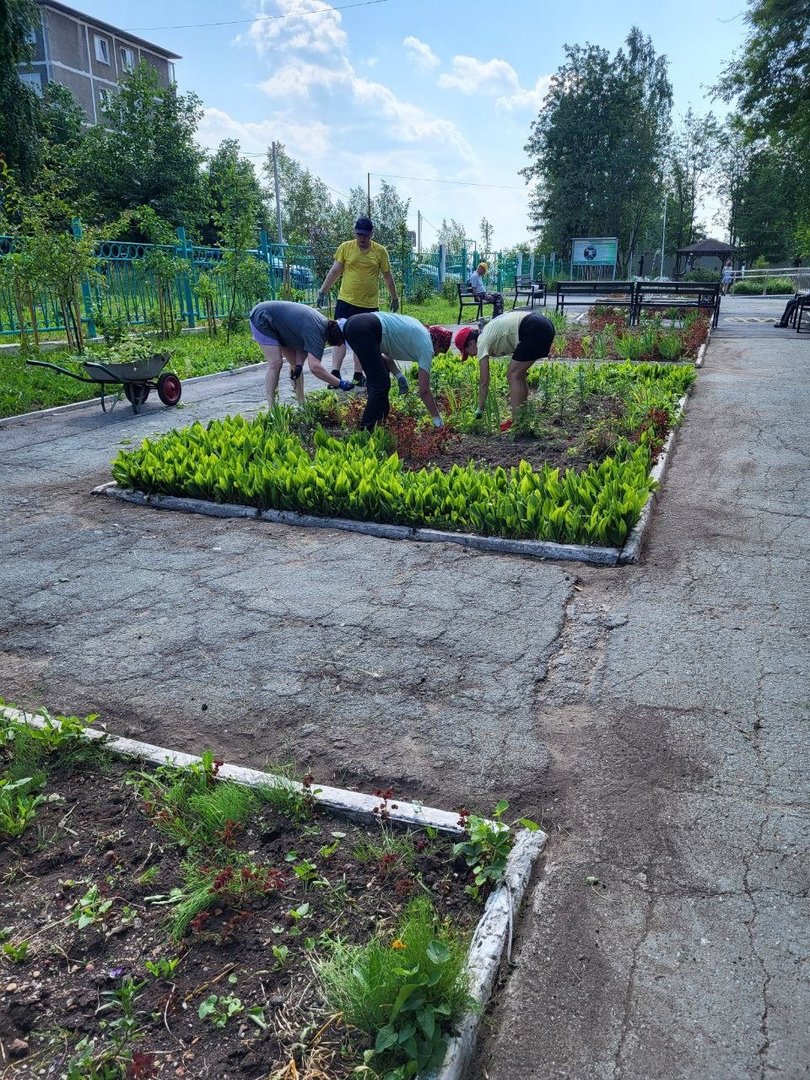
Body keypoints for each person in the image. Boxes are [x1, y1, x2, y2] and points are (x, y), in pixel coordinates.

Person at [316, 216, 399, 387]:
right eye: (359, 234)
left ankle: (358, 375)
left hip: (368, 305)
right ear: (355, 233)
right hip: (346, 301)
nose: (362, 239)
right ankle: (335, 374)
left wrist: (395, 297)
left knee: (364, 340)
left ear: (371, 234)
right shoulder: (345, 248)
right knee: (338, 336)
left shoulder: (380, 251)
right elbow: (335, 271)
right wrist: (322, 291)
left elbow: (387, 276)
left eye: (365, 235)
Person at [341, 313, 450, 430]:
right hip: (365, 329)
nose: (437, 355)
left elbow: (381, 354)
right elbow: (424, 391)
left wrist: (399, 375)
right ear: (438, 342)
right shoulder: (427, 347)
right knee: (380, 384)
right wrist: (437, 419)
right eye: (440, 351)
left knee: (380, 381)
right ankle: (366, 429)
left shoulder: (420, 330)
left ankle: (380, 422)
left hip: (354, 323)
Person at [454, 310, 555, 431]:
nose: (470, 356)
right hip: (542, 324)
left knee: (513, 375)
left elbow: (484, 381)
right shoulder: (487, 333)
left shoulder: (481, 342)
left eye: (467, 352)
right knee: (518, 374)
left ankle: (518, 424)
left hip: (533, 328)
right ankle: (522, 418)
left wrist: (480, 408)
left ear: (471, 343)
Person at [248, 300, 354, 405]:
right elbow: (315, 368)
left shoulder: (322, 325)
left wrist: (299, 365)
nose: (340, 345)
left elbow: (301, 346)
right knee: (275, 363)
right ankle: (272, 409)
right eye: (341, 342)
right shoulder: (318, 332)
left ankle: (301, 403)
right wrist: (340, 383)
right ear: (336, 335)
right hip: (263, 317)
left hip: (281, 326)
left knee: (295, 366)